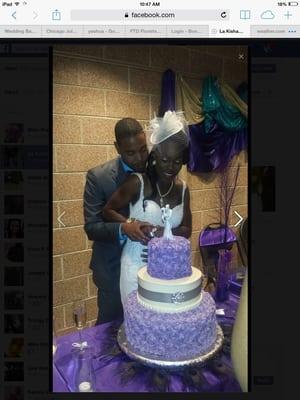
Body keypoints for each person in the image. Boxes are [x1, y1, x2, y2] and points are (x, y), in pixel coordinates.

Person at [103, 111, 192, 305]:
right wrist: (129, 223)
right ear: (155, 157)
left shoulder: (184, 189)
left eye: (177, 161)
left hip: (167, 270)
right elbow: (107, 210)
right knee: (137, 323)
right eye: (165, 160)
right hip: (135, 266)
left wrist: (164, 232)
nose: (171, 166)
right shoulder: (137, 182)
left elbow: (186, 229)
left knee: (160, 324)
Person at [83, 117, 152, 324]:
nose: (140, 158)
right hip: (112, 268)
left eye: (143, 149)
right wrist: (124, 228)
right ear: (117, 148)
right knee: (110, 328)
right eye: (130, 153)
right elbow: (92, 227)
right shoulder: (98, 177)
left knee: (145, 324)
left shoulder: (155, 171)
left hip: (148, 266)